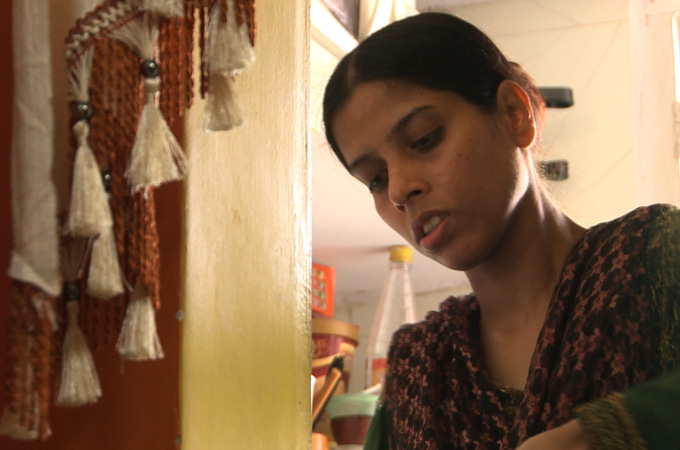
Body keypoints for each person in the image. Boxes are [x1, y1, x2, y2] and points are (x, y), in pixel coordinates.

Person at [321, 12, 680, 450]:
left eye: (424, 139)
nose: (398, 189)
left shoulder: (655, 257)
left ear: (514, 115)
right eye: (376, 179)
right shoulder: (416, 377)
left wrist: (603, 434)